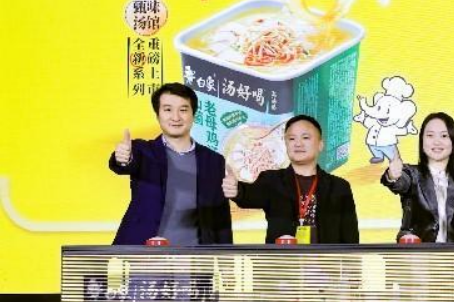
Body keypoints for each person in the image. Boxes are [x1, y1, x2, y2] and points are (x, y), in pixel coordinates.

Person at [109, 82, 232, 245]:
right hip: (145, 253)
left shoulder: (213, 160)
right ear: (157, 115)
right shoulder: (143, 151)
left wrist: (226, 255)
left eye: (183, 110)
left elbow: (221, 216)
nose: (176, 117)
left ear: (193, 114)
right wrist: (123, 158)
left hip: (195, 255)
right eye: (168, 110)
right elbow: (125, 163)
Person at [223, 114, 359, 244]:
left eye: (305, 137)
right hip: (283, 260)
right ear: (286, 144)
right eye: (292, 139)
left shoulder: (339, 187)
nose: (298, 144)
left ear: (320, 145)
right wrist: (236, 190)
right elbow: (249, 195)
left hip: (326, 260)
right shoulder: (272, 180)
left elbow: (350, 238)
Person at [380, 112, 454, 242]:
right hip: (418, 252)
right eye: (430, 135)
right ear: (422, 141)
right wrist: (393, 175)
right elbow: (400, 182)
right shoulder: (412, 174)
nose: (437, 141)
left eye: (444, 136)